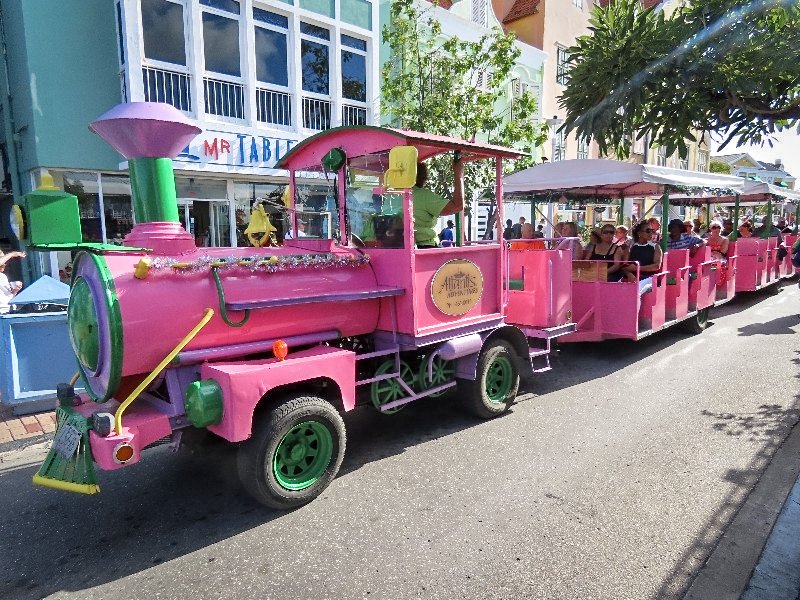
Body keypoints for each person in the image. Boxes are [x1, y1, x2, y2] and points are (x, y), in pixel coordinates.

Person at [412, 157, 464, 248]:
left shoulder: (392, 195)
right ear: (423, 178)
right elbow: (458, 205)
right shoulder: (423, 195)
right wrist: (459, 174)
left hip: (395, 247)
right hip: (424, 248)